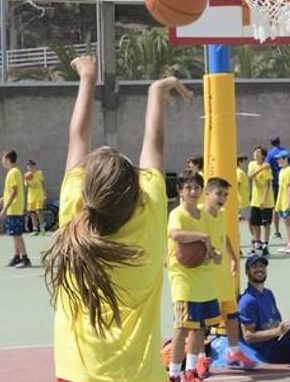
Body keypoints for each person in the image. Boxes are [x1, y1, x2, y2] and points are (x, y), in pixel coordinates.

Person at [42, 55, 191, 382]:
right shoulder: (151, 211)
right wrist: (155, 93)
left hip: (77, 374)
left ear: (85, 190)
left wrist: (87, 77)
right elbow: (154, 142)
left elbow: (77, 137)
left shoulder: (73, 214)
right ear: (137, 192)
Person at [167, 170, 221, 382]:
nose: (193, 191)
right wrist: (202, 236)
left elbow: (212, 247)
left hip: (205, 277)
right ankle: (173, 373)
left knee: (200, 326)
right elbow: (175, 234)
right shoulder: (177, 214)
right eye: (188, 187)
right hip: (183, 277)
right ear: (180, 191)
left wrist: (214, 254)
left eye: (197, 187)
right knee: (182, 327)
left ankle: (190, 370)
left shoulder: (205, 216)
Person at [200, 177, 257, 371]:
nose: (223, 198)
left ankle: (233, 351)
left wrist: (233, 258)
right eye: (219, 193)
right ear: (207, 193)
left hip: (222, 272)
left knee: (232, 314)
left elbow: (224, 237)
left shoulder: (222, 214)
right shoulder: (199, 215)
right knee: (203, 321)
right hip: (206, 274)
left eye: (226, 195)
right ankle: (200, 357)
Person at [0, 149, 29, 268]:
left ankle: (25, 258)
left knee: (17, 234)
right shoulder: (14, 172)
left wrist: (5, 209)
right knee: (14, 234)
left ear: (8, 159)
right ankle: (17, 257)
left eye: (3, 159)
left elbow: (14, 192)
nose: (2, 161)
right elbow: (8, 193)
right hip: (13, 208)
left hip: (15, 209)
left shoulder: (13, 172)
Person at [265, 136, 290, 238]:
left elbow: (267, 168)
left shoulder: (269, 155)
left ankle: (277, 231)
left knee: (276, 208)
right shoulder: (287, 152)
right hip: (288, 181)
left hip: (276, 183)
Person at [248, 146, 274, 256]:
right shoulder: (252, 164)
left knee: (266, 223)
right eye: (255, 152)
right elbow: (250, 176)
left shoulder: (268, 168)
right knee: (254, 223)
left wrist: (263, 200)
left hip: (266, 201)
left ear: (263, 155)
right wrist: (261, 168)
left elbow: (268, 185)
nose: (255, 154)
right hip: (255, 200)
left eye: (258, 152)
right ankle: (257, 244)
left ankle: (265, 245)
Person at [24, 159, 47, 235]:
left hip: (39, 195)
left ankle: (42, 228)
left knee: (38, 212)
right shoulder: (26, 175)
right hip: (31, 196)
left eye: (32, 166)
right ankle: (35, 229)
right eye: (29, 166)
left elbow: (43, 183)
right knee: (32, 213)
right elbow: (26, 185)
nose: (30, 167)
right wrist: (26, 179)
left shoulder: (39, 173)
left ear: (34, 166)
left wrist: (44, 193)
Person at [236, 155, 250, 222]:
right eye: (244, 161)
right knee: (249, 221)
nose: (246, 163)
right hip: (242, 202)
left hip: (243, 201)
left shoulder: (239, 172)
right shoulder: (240, 173)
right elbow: (237, 185)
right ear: (240, 162)